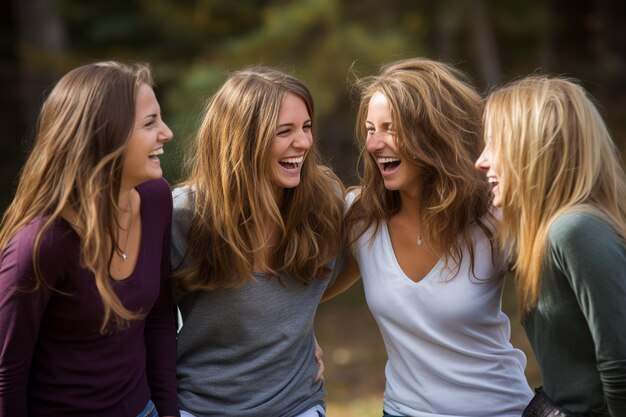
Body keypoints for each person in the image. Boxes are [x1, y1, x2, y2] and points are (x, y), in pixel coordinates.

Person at [324, 58, 533, 416]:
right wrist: (299, 347)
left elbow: (560, 314)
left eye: (390, 128)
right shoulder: (361, 218)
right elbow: (302, 296)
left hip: (500, 409)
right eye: (371, 130)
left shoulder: (495, 217)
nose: (374, 144)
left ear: (432, 132)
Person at [0, 61, 178, 417]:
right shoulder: (41, 245)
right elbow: (7, 374)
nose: (167, 133)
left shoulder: (157, 199)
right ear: (105, 135)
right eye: (150, 123)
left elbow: (159, 320)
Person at [171, 66, 344, 417]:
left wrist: (296, 327)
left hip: (297, 404)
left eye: (306, 127)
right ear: (242, 139)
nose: (304, 142)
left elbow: (357, 261)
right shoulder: (185, 216)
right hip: (200, 407)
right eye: (285, 131)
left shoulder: (323, 200)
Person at [475, 76, 626, 417]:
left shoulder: (574, 230)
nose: (481, 162)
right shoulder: (546, 233)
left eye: (493, 145)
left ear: (534, 148)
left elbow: (619, 361)